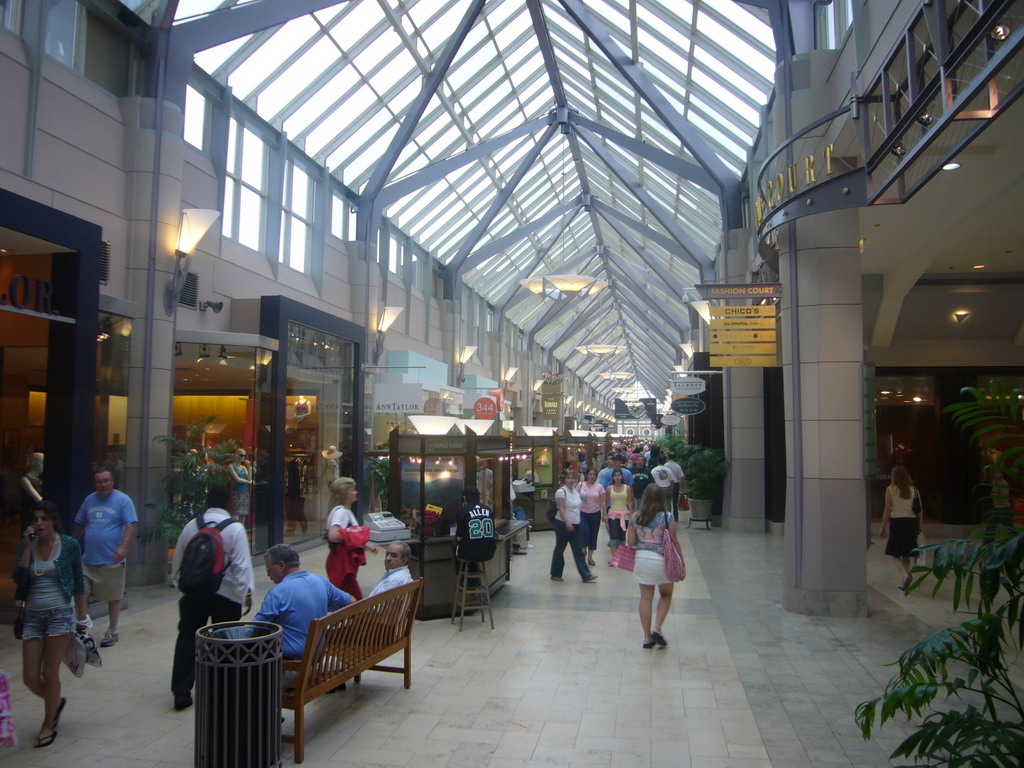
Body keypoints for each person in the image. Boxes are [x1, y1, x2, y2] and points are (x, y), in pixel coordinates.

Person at [170, 484, 254, 711]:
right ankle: (222, 690)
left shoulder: (191, 526)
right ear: (228, 503)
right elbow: (242, 568)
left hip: (193, 593)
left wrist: (182, 587)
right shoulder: (235, 529)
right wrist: (245, 595)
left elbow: (178, 561)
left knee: (187, 637)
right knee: (225, 641)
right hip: (225, 596)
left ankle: (181, 690)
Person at [13, 500, 87, 748]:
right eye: (36, 518)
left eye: (44, 518)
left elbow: (78, 582)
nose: (39, 523)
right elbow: (19, 577)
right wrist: (27, 548)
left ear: (53, 520)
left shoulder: (69, 545)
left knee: (49, 672)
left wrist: (82, 616)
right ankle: (54, 701)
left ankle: (48, 723)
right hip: (33, 616)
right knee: (30, 677)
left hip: (60, 614)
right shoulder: (28, 544)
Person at [72, 467, 138, 648]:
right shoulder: (89, 500)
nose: (102, 485)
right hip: (87, 560)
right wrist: (70, 544)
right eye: (99, 481)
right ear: (94, 483)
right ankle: (82, 628)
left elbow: (131, 524)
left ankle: (112, 630)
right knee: (80, 593)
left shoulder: (123, 500)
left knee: (113, 597)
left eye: (106, 481)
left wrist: (123, 547)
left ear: (112, 481)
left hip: (111, 560)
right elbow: (80, 523)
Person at [254, 544, 351, 659]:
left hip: (292, 658)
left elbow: (255, 629)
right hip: (317, 653)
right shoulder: (320, 581)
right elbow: (352, 602)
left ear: (281, 565)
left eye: (268, 569)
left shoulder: (278, 593)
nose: (267, 574)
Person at [626, 486, 681, 649]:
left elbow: (631, 542)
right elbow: (674, 541)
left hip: (642, 559)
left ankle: (646, 637)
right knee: (666, 594)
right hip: (662, 560)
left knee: (645, 598)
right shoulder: (668, 517)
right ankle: (657, 627)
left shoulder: (635, 517)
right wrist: (681, 562)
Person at [325, 476, 378, 599]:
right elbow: (333, 535)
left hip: (342, 562)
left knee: (345, 599)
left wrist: (366, 544)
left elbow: (348, 536)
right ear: (344, 493)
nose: (356, 492)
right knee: (353, 600)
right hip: (342, 563)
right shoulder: (341, 512)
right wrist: (354, 535)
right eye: (352, 489)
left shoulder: (343, 511)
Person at [878, 465, 923, 591]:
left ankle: (905, 575)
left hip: (898, 522)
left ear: (895, 477)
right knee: (906, 553)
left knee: (893, 552)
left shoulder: (891, 489)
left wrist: (882, 526)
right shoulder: (914, 490)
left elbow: (887, 509)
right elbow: (920, 510)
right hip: (912, 523)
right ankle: (903, 581)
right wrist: (920, 525)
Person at [550, 470, 597, 583]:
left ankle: (586, 575)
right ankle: (556, 573)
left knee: (578, 550)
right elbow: (561, 509)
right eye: (568, 478)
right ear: (564, 479)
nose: (571, 480)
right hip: (563, 524)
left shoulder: (575, 491)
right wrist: (567, 523)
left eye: (573, 478)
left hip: (576, 524)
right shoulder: (561, 492)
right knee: (560, 548)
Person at [454, 485, 497, 563]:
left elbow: (459, 537)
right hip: (489, 553)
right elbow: (493, 532)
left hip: (469, 554)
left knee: (454, 543)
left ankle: (461, 573)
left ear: (464, 498)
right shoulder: (489, 510)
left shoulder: (463, 511)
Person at [577, 467, 606, 567]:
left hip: (595, 514)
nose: (592, 476)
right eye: (590, 474)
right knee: (584, 533)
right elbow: (575, 498)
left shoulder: (599, 487)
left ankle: (590, 556)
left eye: (594, 474)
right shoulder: (581, 485)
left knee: (593, 534)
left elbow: (603, 501)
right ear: (587, 475)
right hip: (583, 513)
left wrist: (604, 514)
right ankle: (583, 549)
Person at [606, 468, 634, 560]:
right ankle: (614, 557)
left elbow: (630, 502)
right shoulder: (609, 489)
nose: (617, 477)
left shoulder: (628, 488)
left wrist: (631, 514)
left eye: (619, 475)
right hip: (613, 515)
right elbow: (606, 503)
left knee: (622, 536)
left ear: (622, 477)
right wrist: (605, 515)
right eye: (615, 475)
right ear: (613, 478)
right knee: (613, 535)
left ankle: (621, 555)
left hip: (624, 515)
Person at [227, 448, 253, 521]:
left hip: (245, 493)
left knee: (243, 515)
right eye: (241, 455)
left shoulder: (244, 468)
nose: (243, 457)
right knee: (235, 514)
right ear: (236, 455)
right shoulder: (231, 466)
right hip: (236, 492)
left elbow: (249, 478)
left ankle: (241, 529)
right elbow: (237, 479)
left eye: (244, 456)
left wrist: (249, 468)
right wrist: (248, 482)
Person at [663, 451, 684, 519]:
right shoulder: (677, 466)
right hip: (676, 484)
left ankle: (667, 516)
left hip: (667, 484)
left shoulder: (665, 465)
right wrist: (682, 488)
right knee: (675, 501)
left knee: (667, 501)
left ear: (668, 457)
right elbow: (681, 477)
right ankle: (675, 516)